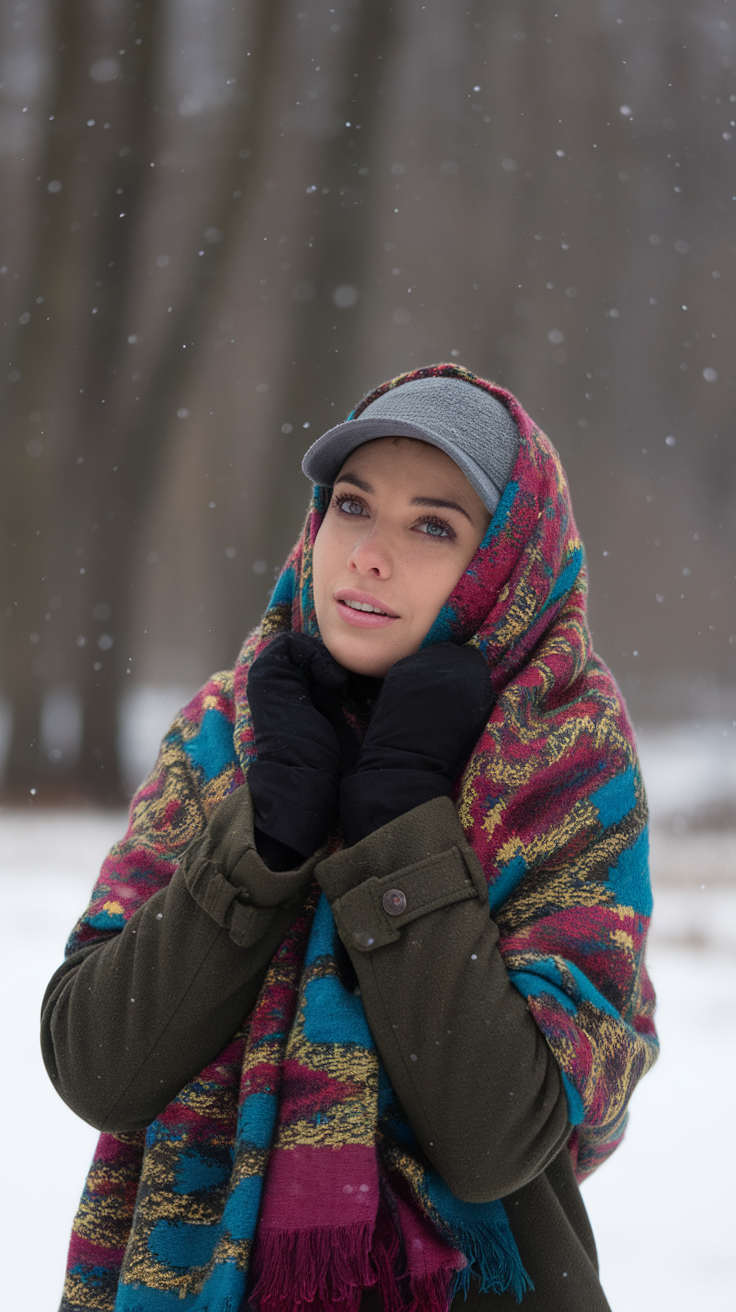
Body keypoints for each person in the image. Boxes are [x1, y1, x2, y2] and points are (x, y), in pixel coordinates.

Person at [42, 363, 658, 1312]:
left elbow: (496, 1139)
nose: (370, 554)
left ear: (504, 561)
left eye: (432, 526)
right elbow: (100, 1066)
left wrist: (405, 824)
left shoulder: (565, 763)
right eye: (353, 506)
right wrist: (267, 842)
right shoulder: (228, 735)